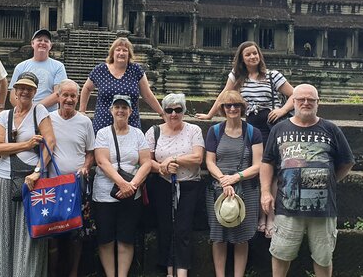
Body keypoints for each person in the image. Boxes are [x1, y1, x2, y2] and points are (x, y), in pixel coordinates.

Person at [198, 41, 294, 235]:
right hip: (250, 128)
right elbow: (225, 96)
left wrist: (282, 109)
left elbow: (295, 94)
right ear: (242, 58)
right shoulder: (237, 77)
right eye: (248, 54)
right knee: (257, 173)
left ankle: (271, 217)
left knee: (272, 173)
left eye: (255, 53)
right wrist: (210, 115)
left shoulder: (272, 76)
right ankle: (260, 215)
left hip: (270, 127)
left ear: (260, 55)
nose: (252, 57)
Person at [260, 84, 355, 277]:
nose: (306, 103)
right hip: (287, 206)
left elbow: (347, 162)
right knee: (281, 253)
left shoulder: (331, 129)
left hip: (323, 208)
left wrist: (329, 180)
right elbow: (267, 162)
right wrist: (265, 192)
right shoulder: (279, 129)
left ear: (317, 103)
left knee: (323, 256)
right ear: (293, 102)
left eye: (311, 99)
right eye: (301, 99)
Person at [0, 71, 56, 277]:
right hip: (4, 178)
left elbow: (50, 143)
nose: (24, 92)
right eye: (21, 88)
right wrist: (26, 144)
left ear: (35, 91)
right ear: (15, 91)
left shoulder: (39, 112)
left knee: (30, 235)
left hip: (31, 180)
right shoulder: (4, 116)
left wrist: (38, 170)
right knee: (4, 233)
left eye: (29, 88)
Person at [145, 93, 204, 277]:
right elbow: (147, 161)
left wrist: (174, 159)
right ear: (163, 112)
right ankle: (169, 270)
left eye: (178, 110)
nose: (173, 114)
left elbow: (198, 158)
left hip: (188, 186)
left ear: (184, 111)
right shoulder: (154, 131)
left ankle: (182, 270)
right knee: (165, 227)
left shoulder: (194, 130)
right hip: (163, 185)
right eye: (169, 110)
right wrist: (162, 167)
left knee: (183, 229)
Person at [205, 90, 263, 277]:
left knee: (242, 237)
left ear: (242, 107)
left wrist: (235, 177)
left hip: (246, 189)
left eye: (236, 105)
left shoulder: (253, 132)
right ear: (222, 109)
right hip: (219, 188)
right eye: (228, 105)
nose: (232, 109)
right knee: (218, 237)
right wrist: (224, 180)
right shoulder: (215, 131)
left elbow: (257, 165)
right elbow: (210, 161)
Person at [93, 95, 151, 277]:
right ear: (111, 110)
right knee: (106, 237)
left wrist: (132, 185)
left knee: (126, 237)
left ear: (130, 111)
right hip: (105, 192)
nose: (120, 111)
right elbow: (102, 161)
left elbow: (147, 162)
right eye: (117, 107)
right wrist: (122, 183)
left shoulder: (138, 134)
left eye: (124, 108)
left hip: (132, 193)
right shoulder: (103, 133)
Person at [47, 79, 95, 277]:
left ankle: (73, 272)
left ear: (78, 98)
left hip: (77, 186)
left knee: (77, 232)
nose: (68, 99)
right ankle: (52, 271)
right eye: (65, 95)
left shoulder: (85, 122)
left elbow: (90, 152)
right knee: (52, 232)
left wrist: (85, 167)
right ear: (57, 96)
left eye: (72, 96)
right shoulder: (47, 119)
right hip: (53, 185)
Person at [80, 36, 165, 132]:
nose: (121, 53)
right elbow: (86, 88)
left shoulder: (136, 70)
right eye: (118, 50)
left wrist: (162, 113)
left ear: (129, 54)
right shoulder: (100, 70)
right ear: (112, 53)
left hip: (130, 122)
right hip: (103, 122)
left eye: (125, 50)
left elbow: (147, 95)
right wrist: (82, 111)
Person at [9, 28, 67, 112]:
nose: (42, 43)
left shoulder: (58, 66)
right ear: (32, 43)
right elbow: (13, 94)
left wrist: (35, 108)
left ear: (50, 46)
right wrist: (23, 109)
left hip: (48, 113)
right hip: (23, 113)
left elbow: (58, 93)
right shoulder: (21, 66)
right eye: (39, 40)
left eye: (46, 41)